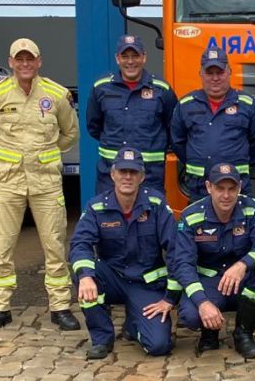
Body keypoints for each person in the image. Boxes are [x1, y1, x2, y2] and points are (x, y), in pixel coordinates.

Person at [0, 38, 80, 332]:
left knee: (54, 245)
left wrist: (46, 155)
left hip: (46, 182)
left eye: (29, 58)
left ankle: (59, 307)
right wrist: (8, 153)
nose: (24, 64)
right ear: (11, 62)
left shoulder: (56, 95)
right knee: (3, 246)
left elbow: (70, 133)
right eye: (19, 59)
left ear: (39, 61)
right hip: (9, 181)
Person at [69, 147, 180, 359]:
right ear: (112, 175)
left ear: (142, 176)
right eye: (122, 171)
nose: (127, 177)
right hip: (112, 278)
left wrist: (170, 298)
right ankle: (102, 338)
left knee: (158, 346)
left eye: (133, 172)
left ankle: (134, 325)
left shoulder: (156, 204)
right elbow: (80, 243)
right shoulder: (97, 207)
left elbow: (176, 249)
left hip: (145, 284)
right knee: (83, 271)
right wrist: (85, 277)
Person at [174, 163, 255, 359]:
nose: (226, 195)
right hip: (209, 281)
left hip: (240, 279)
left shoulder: (253, 209)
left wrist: (242, 265)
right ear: (209, 187)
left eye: (232, 189)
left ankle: (244, 332)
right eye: (220, 188)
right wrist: (202, 302)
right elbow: (183, 264)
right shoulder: (191, 215)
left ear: (239, 188)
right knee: (190, 316)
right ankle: (209, 333)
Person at [170, 46, 255, 202]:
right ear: (200, 74)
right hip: (199, 187)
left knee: (239, 226)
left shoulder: (247, 104)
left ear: (229, 71)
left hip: (236, 186)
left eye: (220, 72)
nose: (215, 78)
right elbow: (177, 142)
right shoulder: (186, 104)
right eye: (209, 73)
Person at [87, 34, 177, 194]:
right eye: (125, 56)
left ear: (144, 57)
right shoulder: (101, 87)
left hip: (150, 176)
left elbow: (175, 129)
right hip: (111, 176)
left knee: (150, 218)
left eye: (135, 55)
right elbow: (94, 127)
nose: (130, 61)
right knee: (109, 219)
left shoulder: (161, 89)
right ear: (117, 58)